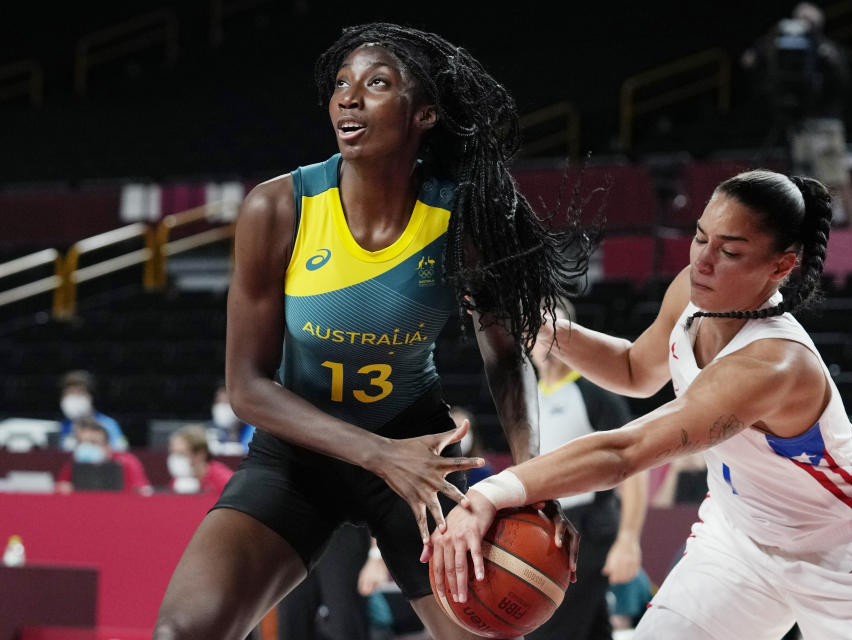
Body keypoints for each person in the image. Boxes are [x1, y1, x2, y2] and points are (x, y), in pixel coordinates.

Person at [154, 22, 590, 640]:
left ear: (425, 114)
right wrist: (377, 456)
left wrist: (535, 485)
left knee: (483, 634)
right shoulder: (278, 208)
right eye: (341, 85)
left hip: (418, 452)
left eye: (376, 84)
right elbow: (247, 388)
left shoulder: (462, 217)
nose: (348, 98)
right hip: (300, 454)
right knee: (181, 633)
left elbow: (505, 357)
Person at [430, 169, 852, 639]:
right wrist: (539, 322)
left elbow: (626, 452)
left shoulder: (775, 365)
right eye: (699, 236)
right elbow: (633, 368)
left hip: (847, 560)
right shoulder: (693, 294)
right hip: (738, 542)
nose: (703, 259)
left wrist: (490, 494)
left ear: (782, 265)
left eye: (731, 251)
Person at [527, 298, 647, 640]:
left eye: (552, 331)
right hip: (549, 530)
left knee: (547, 632)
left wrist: (628, 540)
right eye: (534, 332)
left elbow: (636, 465)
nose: (543, 340)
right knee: (592, 629)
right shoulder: (528, 396)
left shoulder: (594, 392)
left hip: (589, 529)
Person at [742, 2, 852, 228]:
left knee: (837, 178)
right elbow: (750, 61)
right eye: (798, 20)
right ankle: (807, 230)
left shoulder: (826, 48)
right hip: (799, 121)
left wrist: (825, 60)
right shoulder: (782, 47)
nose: (802, 27)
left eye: (808, 22)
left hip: (825, 122)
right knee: (803, 181)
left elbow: (843, 82)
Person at [55, 416, 149, 494]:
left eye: (93, 442)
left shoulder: (127, 463)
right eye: (82, 442)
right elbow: (59, 488)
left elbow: (143, 492)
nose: (87, 447)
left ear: (107, 447)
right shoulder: (74, 463)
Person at [58, 369, 127, 451]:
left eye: (79, 393)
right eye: (69, 393)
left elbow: (121, 450)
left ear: (90, 396)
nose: (73, 398)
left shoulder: (109, 424)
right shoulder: (63, 426)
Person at [167, 424, 235, 495]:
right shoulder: (177, 482)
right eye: (173, 454)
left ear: (200, 454)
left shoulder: (225, 481)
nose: (175, 460)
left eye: (181, 454)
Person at [208, 382, 255, 455]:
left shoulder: (251, 427)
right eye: (219, 401)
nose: (222, 408)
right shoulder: (212, 430)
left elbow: (250, 450)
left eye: (226, 402)